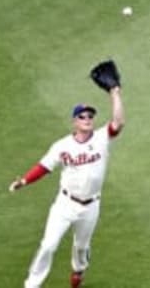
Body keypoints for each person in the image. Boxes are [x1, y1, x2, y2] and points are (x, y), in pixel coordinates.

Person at [9, 85, 124, 288]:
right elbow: (44, 166)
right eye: (82, 116)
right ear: (74, 121)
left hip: (91, 206)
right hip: (65, 204)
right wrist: (24, 181)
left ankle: (78, 274)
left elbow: (118, 123)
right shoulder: (62, 146)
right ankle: (31, 285)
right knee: (48, 245)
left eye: (90, 116)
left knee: (81, 248)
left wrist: (115, 93)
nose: (87, 119)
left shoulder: (101, 138)